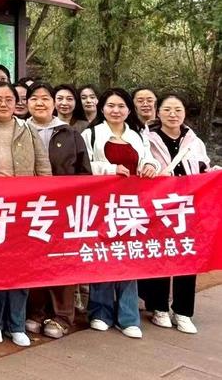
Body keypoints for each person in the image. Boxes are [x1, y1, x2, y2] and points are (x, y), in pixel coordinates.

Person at [81, 88, 158, 339]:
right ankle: (100, 312)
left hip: (132, 205)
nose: (116, 110)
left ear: (128, 109)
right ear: (102, 108)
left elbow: (150, 160)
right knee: (103, 255)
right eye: (111, 105)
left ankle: (128, 316)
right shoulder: (91, 134)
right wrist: (110, 168)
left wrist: (150, 165)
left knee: (128, 257)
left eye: (121, 106)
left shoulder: (136, 135)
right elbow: (83, 165)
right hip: (102, 204)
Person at [0, 81, 52, 347]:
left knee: (21, 266)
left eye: (9, 99)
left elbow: (43, 166)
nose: (4, 104)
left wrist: (44, 198)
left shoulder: (27, 128)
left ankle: (16, 323)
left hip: (24, 207)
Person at [24, 82, 91, 340]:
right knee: (34, 259)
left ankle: (62, 315)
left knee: (62, 259)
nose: (40, 103)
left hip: (64, 208)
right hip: (30, 209)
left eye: (45, 98)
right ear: (27, 103)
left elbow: (84, 173)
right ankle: (37, 311)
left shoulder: (70, 134)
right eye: (34, 98)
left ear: (54, 103)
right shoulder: (21, 129)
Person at [141, 94, 212, 335]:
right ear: (158, 113)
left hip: (189, 208)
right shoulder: (147, 139)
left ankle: (183, 311)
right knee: (160, 254)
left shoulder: (194, 141)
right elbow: (144, 163)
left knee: (187, 256)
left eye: (178, 109)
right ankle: (159, 307)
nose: (173, 114)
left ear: (184, 113)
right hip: (160, 207)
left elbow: (203, 167)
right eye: (167, 109)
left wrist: (212, 173)